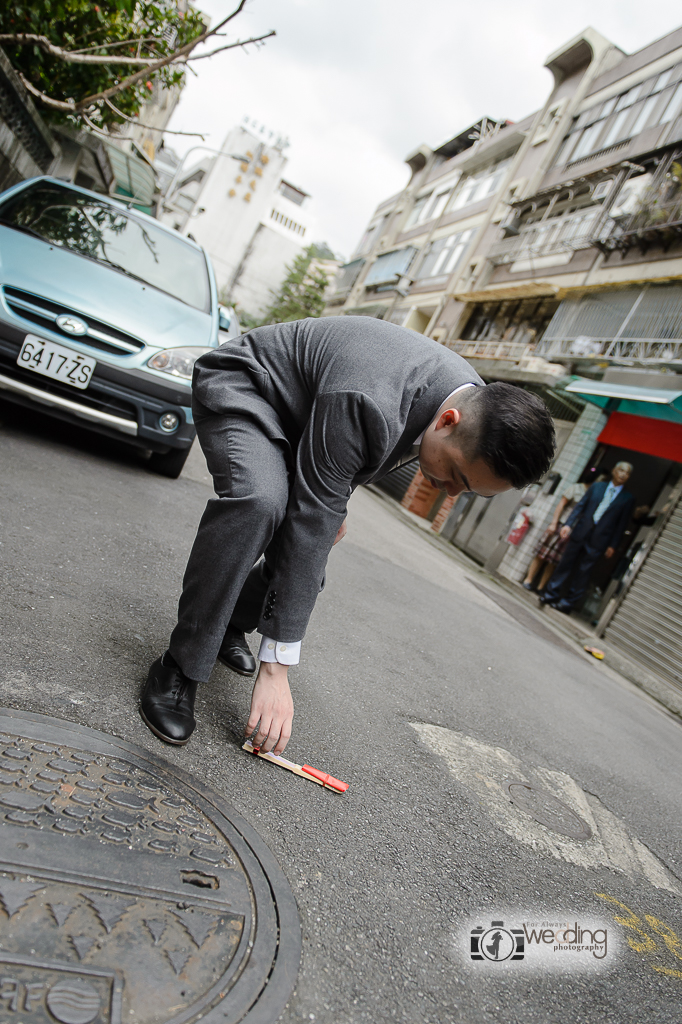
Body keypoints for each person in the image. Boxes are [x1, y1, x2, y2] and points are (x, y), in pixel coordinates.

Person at [140, 317, 556, 753]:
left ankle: (228, 626)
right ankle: (180, 666)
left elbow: (326, 499)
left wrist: (326, 507)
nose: (450, 492)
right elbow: (319, 500)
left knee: (311, 548)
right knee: (261, 504)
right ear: (448, 422)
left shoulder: (471, 402)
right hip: (251, 387)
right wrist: (276, 669)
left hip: (314, 420)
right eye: (455, 475)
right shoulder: (372, 399)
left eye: (467, 492)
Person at [539, 462, 635, 614]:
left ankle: (567, 603)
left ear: (629, 477)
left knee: (583, 572)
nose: (623, 474)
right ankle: (550, 594)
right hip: (580, 532)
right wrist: (568, 524)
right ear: (614, 471)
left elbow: (621, 525)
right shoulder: (597, 487)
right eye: (621, 470)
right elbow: (580, 507)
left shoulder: (627, 498)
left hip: (600, 540)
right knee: (565, 564)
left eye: (627, 473)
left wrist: (613, 545)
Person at [522, 481, 588, 592]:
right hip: (560, 524)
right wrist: (554, 523)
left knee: (554, 560)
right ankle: (528, 580)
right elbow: (561, 504)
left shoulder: (593, 494)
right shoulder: (576, 488)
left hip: (573, 531)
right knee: (542, 554)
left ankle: (541, 587)